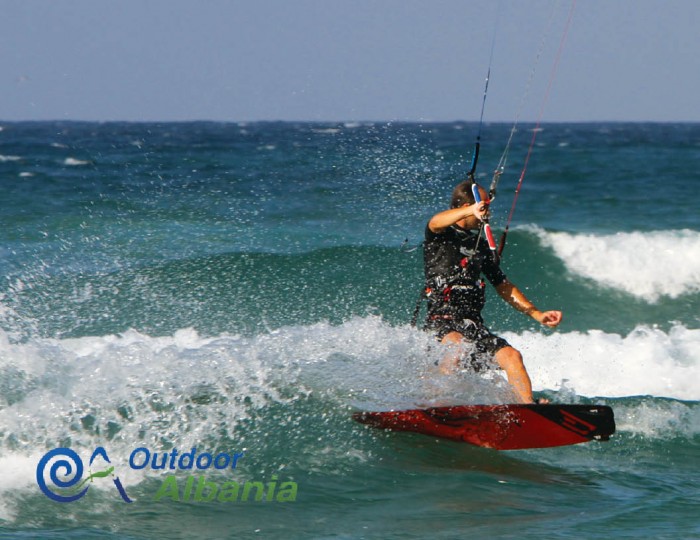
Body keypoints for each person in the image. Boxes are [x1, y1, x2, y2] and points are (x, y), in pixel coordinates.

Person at [423, 180, 562, 404]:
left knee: (512, 357)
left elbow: (503, 284)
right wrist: (470, 210)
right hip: (442, 321)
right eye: (484, 204)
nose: (487, 209)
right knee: (457, 348)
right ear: (467, 205)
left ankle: (528, 409)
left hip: (473, 324)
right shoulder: (441, 236)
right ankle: (436, 403)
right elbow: (434, 222)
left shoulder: (481, 246)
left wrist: (536, 314)